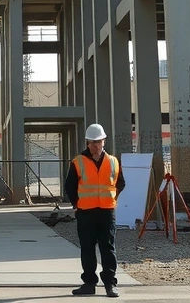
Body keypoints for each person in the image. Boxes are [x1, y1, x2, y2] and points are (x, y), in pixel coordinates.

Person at [64, 123, 125, 298]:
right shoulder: (78, 162)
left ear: (104, 141)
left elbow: (120, 183)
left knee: (108, 248)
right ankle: (89, 283)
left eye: (98, 142)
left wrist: (112, 198)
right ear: (87, 143)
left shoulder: (113, 161)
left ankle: (110, 284)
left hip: (106, 212)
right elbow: (70, 186)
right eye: (91, 142)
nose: (95, 145)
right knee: (87, 248)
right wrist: (77, 204)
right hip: (86, 212)